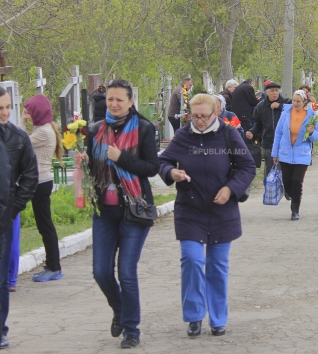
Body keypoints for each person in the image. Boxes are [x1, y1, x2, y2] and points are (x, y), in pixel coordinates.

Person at [158, 93, 255, 339]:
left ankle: (218, 319)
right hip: (190, 209)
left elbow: (247, 166)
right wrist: (172, 173)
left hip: (222, 210)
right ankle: (193, 316)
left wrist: (230, 189)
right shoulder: (182, 136)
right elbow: (164, 162)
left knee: (217, 266)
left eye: (204, 116)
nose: (199, 121)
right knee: (191, 261)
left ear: (216, 113)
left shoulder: (228, 134)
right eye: (195, 116)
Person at [79, 79, 159, 349]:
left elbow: (151, 168)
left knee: (126, 272)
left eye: (119, 100)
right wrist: (86, 162)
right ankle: (119, 309)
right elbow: (95, 170)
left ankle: (131, 329)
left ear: (130, 101)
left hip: (134, 209)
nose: (113, 104)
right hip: (105, 211)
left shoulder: (145, 128)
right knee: (101, 272)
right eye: (110, 100)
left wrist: (121, 157)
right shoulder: (95, 130)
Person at [0, 87, 38, 349]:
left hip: (4, 216)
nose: (4, 113)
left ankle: (0, 329)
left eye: (7, 108)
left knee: (1, 279)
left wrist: (13, 206)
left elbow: (30, 175)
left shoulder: (18, 138)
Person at [22, 95, 64, 282]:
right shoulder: (42, 128)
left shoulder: (43, 132)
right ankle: (52, 265)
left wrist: (22, 120)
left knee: (45, 225)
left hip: (40, 183)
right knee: (44, 225)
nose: (28, 115)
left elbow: (19, 142)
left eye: (29, 111)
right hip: (38, 182)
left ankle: (53, 267)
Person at [272, 90, 318, 220]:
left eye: (298, 101)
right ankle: (292, 196)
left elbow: (317, 137)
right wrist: (275, 153)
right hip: (285, 153)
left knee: (297, 182)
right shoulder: (285, 114)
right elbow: (278, 134)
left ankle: (295, 210)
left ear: (304, 102)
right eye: (294, 100)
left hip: (302, 154)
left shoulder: (312, 116)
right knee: (287, 182)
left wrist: (311, 133)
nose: (295, 103)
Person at [247, 82, 291, 179]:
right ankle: (270, 191)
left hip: (287, 142)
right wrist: (252, 132)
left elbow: (297, 110)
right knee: (270, 170)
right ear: (266, 92)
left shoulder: (287, 102)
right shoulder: (261, 106)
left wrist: (280, 106)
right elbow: (258, 124)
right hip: (269, 142)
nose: (275, 93)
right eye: (272, 91)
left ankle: (289, 193)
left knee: (286, 170)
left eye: (277, 90)